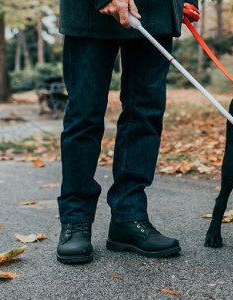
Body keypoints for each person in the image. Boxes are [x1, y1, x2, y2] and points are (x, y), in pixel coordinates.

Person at [56, 0, 200, 264]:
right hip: (89, 12)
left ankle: (128, 217)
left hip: (156, 13)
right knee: (83, 115)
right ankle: (75, 219)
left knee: (145, 114)